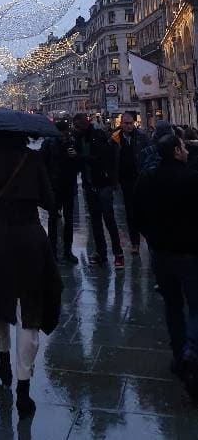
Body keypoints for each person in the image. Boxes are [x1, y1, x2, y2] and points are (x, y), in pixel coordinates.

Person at [0, 130, 62, 420]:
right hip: (30, 238)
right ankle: (24, 388)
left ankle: (3, 364)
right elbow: (50, 201)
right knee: (30, 309)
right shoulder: (33, 159)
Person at [134, 131, 198, 399]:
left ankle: (178, 354)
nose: (185, 150)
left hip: (162, 254)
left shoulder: (148, 178)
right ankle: (191, 354)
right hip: (190, 254)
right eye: (182, 147)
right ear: (176, 151)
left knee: (172, 306)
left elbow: (137, 214)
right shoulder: (192, 178)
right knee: (195, 306)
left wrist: (152, 238)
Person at [72, 112, 124, 269]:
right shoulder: (78, 138)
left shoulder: (98, 135)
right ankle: (101, 253)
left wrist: (79, 157)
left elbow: (100, 158)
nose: (76, 127)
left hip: (103, 182)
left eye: (78, 124)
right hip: (89, 183)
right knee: (95, 221)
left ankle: (118, 254)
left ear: (85, 123)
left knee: (108, 218)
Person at [110, 112, 149, 254]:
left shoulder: (142, 137)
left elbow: (148, 155)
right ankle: (135, 242)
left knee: (144, 210)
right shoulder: (115, 139)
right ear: (121, 124)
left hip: (141, 178)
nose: (129, 126)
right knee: (130, 212)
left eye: (131, 123)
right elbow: (112, 159)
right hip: (125, 180)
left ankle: (148, 238)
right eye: (126, 123)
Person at [41, 118, 79, 263]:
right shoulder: (49, 144)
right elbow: (43, 165)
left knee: (69, 220)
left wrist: (74, 157)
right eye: (62, 132)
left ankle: (67, 251)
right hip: (55, 187)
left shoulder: (72, 143)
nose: (64, 135)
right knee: (53, 220)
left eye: (66, 132)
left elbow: (78, 164)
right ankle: (53, 251)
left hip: (68, 186)